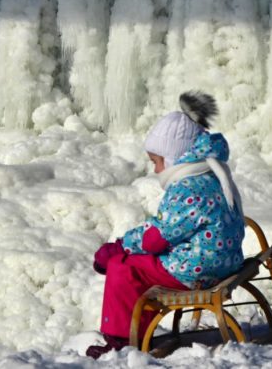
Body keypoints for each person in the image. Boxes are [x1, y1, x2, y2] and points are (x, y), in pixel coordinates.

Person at [86, 91, 245, 359]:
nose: (157, 170)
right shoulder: (210, 173)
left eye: (157, 162)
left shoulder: (187, 187)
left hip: (198, 270)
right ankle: (139, 326)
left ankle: (120, 340)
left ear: (176, 158)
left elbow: (155, 239)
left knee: (123, 268)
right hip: (224, 260)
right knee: (143, 263)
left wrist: (120, 246)